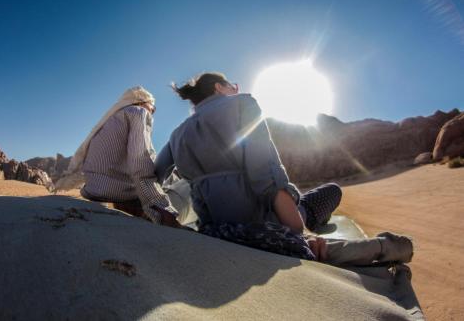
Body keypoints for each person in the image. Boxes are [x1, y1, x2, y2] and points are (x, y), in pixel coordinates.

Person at [155, 72, 413, 264]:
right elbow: (265, 174)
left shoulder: (177, 134)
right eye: (232, 85)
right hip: (265, 222)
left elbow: (155, 173)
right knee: (331, 191)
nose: (236, 89)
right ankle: (332, 227)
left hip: (218, 229)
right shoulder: (243, 104)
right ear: (218, 87)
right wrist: (302, 233)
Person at [67, 86, 181, 228]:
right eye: (153, 107)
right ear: (140, 102)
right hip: (118, 194)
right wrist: (160, 207)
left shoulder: (113, 119)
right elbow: (140, 162)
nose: (153, 111)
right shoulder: (139, 113)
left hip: (93, 191)